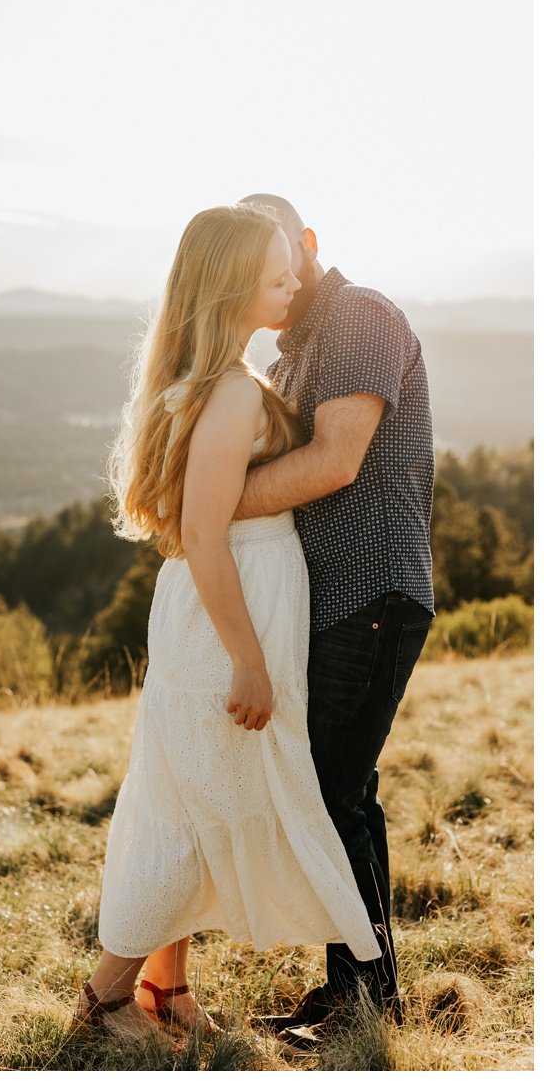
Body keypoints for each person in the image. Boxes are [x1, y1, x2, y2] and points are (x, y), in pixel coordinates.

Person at [76, 203, 381, 1043]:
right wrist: (248, 661)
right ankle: (103, 1001)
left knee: (190, 799)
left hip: (228, 607)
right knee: (191, 809)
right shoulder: (232, 391)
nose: (293, 288)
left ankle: (163, 995)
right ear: (233, 288)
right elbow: (205, 534)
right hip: (226, 621)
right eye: (277, 277)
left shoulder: (219, 378)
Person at [234, 194, 434, 1047]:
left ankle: (364, 1007)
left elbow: (337, 458)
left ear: (309, 243)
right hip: (332, 602)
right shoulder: (290, 354)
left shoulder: (358, 315)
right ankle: (358, 992)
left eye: (279, 255)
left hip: (375, 592)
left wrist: (217, 507)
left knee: (329, 794)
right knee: (344, 794)